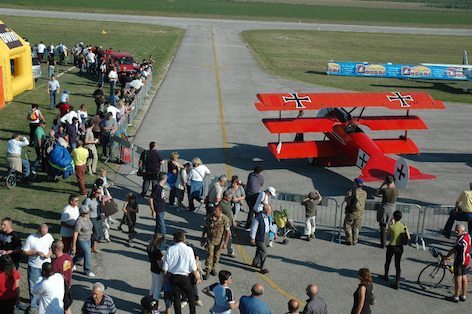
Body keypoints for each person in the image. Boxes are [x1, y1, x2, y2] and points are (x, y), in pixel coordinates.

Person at [162, 231, 202, 314]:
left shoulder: (170, 249)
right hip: (185, 277)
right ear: (183, 239)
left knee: (176, 298)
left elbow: (165, 267)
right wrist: (197, 277)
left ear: (174, 240)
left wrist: (165, 278)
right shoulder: (189, 249)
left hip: (174, 277)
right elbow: (192, 265)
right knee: (191, 297)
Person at [22, 224, 54, 313]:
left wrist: (49, 254)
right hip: (34, 266)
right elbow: (24, 251)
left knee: (46, 286)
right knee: (34, 287)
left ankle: (42, 304)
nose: (44, 235)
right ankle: (33, 306)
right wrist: (35, 252)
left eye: (46, 233)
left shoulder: (49, 236)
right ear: (39, 230)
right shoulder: (31, 238)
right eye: (43, 233)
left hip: (46, 266)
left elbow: (51, 247)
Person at [442, 223, 471, 303]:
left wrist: (446, 256)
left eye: (457, 230)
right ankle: (463, 296)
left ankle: (456, 297)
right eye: (455, 229)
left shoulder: (460, 240)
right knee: (464, 276)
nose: (455, 231)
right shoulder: (468, 236)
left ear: (462, 230)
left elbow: (453, 250)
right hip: (466, 259)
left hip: (459, 260)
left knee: (458, 278)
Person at [202, 205, 231, 279]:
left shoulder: (225, 219)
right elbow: (205, 227)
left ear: (220, 211)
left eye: (216, 211)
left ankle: (213, 268)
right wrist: (202, 238)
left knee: (217, 255)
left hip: (219, 241)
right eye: (214, 210)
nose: (214, 212)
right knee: (209, 255)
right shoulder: (210, 217)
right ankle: (208, 270)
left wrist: (225, 243)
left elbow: (228, 232)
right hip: (210, 239)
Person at [383, 210, 410, 290]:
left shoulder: (391, 226)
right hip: (400, 247)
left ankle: (386, 276)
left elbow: (387, 236)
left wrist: (390, 225)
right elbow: (408, 237)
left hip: (392, 246)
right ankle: (397, 282)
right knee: (397, 264)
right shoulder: (404, 226)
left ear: (394, 217)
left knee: (388, 261)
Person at [375, 175, 399, 248]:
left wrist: (382, 185)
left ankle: (383, 244)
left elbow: (376, 193)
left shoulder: (385, 190)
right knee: (392, 225)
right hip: (392, 209)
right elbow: (394, 189)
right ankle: (393, 241)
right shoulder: (396, 191)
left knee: (382, 226)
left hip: (384, 208)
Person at [71, 206, 95, 277]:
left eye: (88, 212)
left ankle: (72, 262)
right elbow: (75, 233)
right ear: (81, 213)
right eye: (85, 213)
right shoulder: (79, 221)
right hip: (81, 240)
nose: (87, 214)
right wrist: (74, 245)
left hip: (88, 238)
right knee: (87, 253)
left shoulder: (88, 218)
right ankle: (87, 270)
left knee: (81, 255)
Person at [344, 178, 368, 245]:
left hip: (351, 212)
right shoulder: (364, 193)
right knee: (356, 227)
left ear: (356, 184)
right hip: (360, 212)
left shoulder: (351, 192)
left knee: (348, 225)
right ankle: (355, 240)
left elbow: (347, 199)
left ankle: (349, 239)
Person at [51, 241, 73, 314]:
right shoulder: (67, 256)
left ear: (56, 249)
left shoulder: (55, 263)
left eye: (52, 247)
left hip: (61, 287)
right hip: (68, 284)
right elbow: (71, 268)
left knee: (65, 308)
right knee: (67, 306)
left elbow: (53, 277)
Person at [250, 204, 272, 274]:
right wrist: (252, 238)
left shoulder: (268, 217)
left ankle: (255, 263)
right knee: (264, 252)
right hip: (260, 237)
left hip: (266, 236)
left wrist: (273, 233)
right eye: (269, 211)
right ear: (266, 210)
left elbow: (269, 226)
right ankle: (262, 268)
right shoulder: (258, 217)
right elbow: (254, 227)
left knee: (259, 251)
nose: (270, 212)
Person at [149, 172, 168, 241]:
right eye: (166, 178)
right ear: (164, 179)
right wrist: (153, 210)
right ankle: (162, 244)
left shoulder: (161, 187)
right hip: (158, 209)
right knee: (162, 228)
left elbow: (159, 196)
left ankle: (154, 239)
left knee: (158, 226)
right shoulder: (157, 188)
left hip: (162, 208)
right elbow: (151, 198)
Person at [83, 186, 103, 252]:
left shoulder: (98, 199)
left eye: (100, 193)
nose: (99, 194)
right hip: (92, 218)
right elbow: (85, 209)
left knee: (99, 232)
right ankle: (92, 247)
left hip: (98, 217)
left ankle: (94, 247)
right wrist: (86, 218)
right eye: (98, 193)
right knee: (96, 233)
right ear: (94, 192)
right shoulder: (88, 200)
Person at [147, 234, 165, 304]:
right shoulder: (157, 252)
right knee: (157, 289)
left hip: (152, 268)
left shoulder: (149, 247)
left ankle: (149, 300)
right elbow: (160, 264)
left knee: (153, 286)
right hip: (158, 271)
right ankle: (154, 305)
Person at [218, 191, 236, 257]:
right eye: (229, 197)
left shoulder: (228, 202)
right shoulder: (221, 204)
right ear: (225, 197)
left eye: (231, 197)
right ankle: (229, 251)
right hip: (223, 224)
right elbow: (219, 214)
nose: (231, 198)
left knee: (228, 237)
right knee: (226, 237)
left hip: (229, 223)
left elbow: (230, 211)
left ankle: (229, 250)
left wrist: (233, 220)